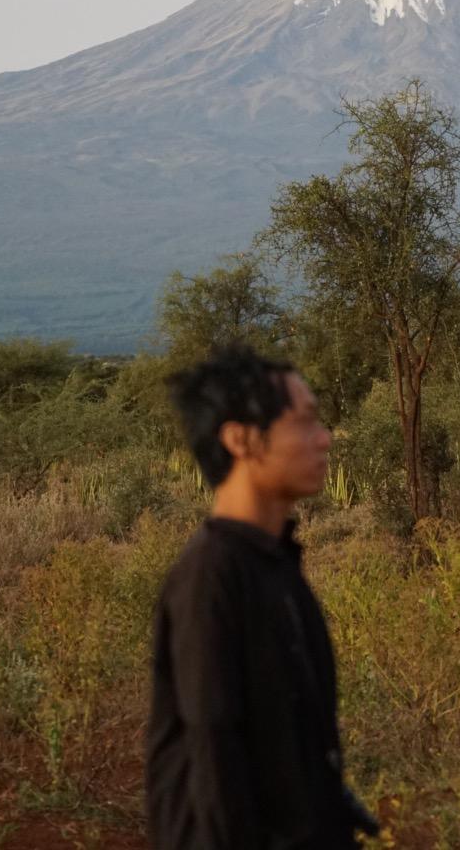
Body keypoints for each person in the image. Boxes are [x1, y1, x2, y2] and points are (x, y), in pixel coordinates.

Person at [146, 345, 380, 849]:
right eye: (305, 423)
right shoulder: (211, 577)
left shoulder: (274, 562)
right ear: (241, 439)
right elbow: (215, 756)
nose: (325, 439)